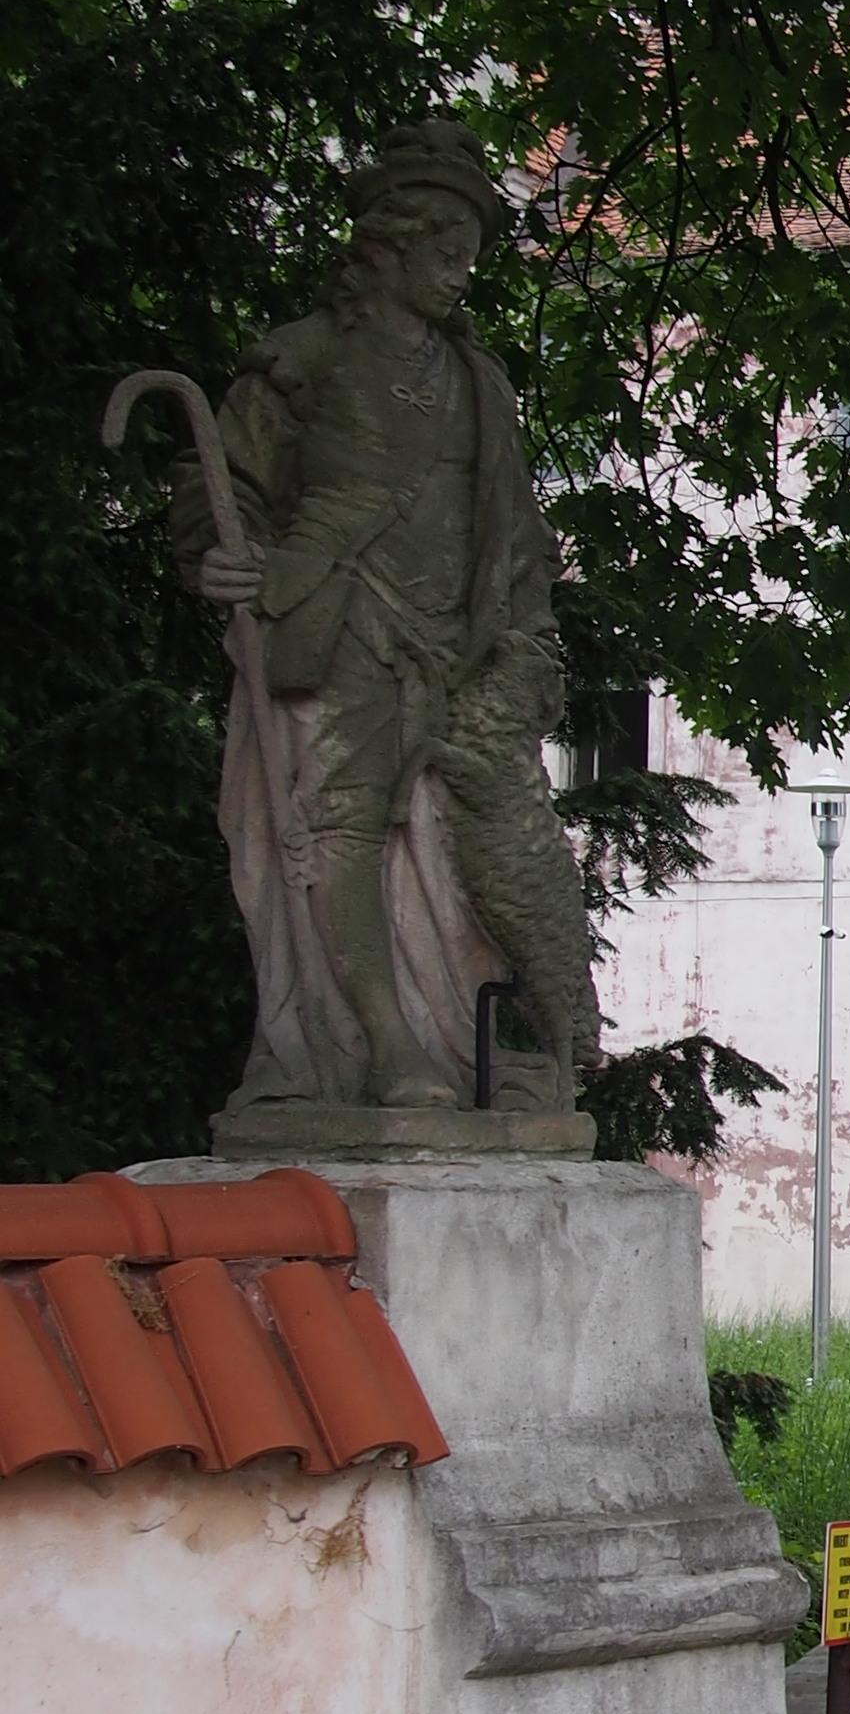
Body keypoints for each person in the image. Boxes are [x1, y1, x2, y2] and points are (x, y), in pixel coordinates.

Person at [178, 118, 601, 1114]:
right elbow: (220, 491)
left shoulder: (479, 384)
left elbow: (516, 532)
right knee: (344, 828)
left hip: (460, 648)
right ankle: (379, 1042)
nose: (460, 274)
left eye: (470, 256)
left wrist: (527, 642)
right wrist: (218, 558)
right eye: (446, 252)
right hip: (339, 622)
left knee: (476, 856)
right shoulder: (303, 360)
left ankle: (463, 1049)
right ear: (390, 247)